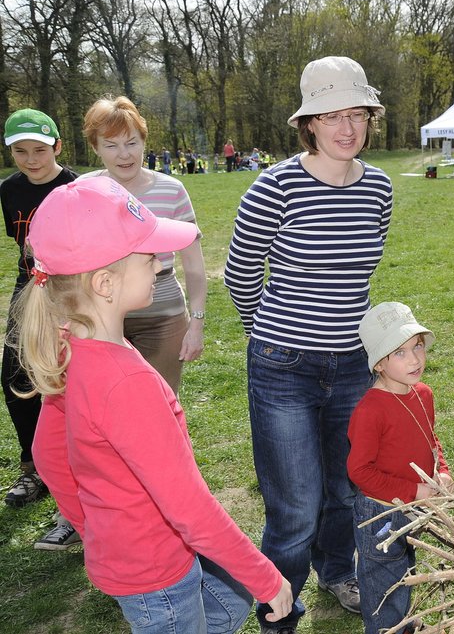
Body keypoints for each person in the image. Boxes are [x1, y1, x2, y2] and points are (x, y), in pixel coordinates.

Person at [12, 177, 293, 632]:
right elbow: (187, 506)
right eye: (149, 257)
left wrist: (95, 530)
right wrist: (265, 577)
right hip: (158, 572)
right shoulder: (126, 382)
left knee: (228, 602)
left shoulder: (70, 347)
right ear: (105, 283)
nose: (162, 264)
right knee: (236, 594)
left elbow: (48, 455)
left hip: (133, 556)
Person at [224, 55, 392, 634]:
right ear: (309, 124)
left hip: (352, 366)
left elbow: (361, 274)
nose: (346, 128)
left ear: (369, 119)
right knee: (294, 505)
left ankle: (337, 570)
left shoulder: (380, 188)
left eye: (356, 114)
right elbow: (241, 272)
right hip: (283, 368)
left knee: (346, 488)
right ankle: (279, 604)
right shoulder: (276, 185)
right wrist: (264, 336)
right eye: (330, 116)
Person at [80, 96, 206, 394]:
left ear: (144, 142)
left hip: (162, 318)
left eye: (132, 142)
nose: (124, 154)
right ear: (96, 148)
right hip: (99, 320)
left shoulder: (172, 189)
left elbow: (194, 265)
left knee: (159, 404)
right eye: (111, 145)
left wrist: (197, 324)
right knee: (104, 407)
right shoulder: (83, 191)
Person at [1, 108, 84, 551]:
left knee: (65, 381)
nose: (31, 159)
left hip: (69, 286)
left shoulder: (75, 186)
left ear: (56, 146)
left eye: (39, 149)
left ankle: (72, 470)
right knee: (15, 376)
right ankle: (34, 470)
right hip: (29, 285)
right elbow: (23, 247)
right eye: (20, 151)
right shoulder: (8, 190)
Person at [348, 302, 452, 634]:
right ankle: (386, 627)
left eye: (417, 347)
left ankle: (401, 621)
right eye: (401, 353)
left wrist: (443, 472)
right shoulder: (370, 411)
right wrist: (413, 490)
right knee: (383, 579)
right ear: (379, 364)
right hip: (380, 514)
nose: (415, 359)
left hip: (414, 506)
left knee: (404, 566)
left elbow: (430, 439)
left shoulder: (423, 394)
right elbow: (360, 472)